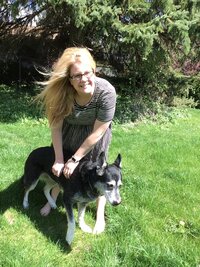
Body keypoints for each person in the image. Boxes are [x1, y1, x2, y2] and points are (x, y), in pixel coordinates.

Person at [37, 47, 116, 234]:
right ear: (69, 80)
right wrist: (59, 158)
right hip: (69, 132)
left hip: (94, 135)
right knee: (61, 170)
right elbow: (56, 127)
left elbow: (99, 132)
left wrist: (75, 159)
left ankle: (99, 215)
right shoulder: (61, 93)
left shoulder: (106, 92)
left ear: (94, 71)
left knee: (99, 173)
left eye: (87, 72)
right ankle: (53, 198)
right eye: (77, 75)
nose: (84, 79)